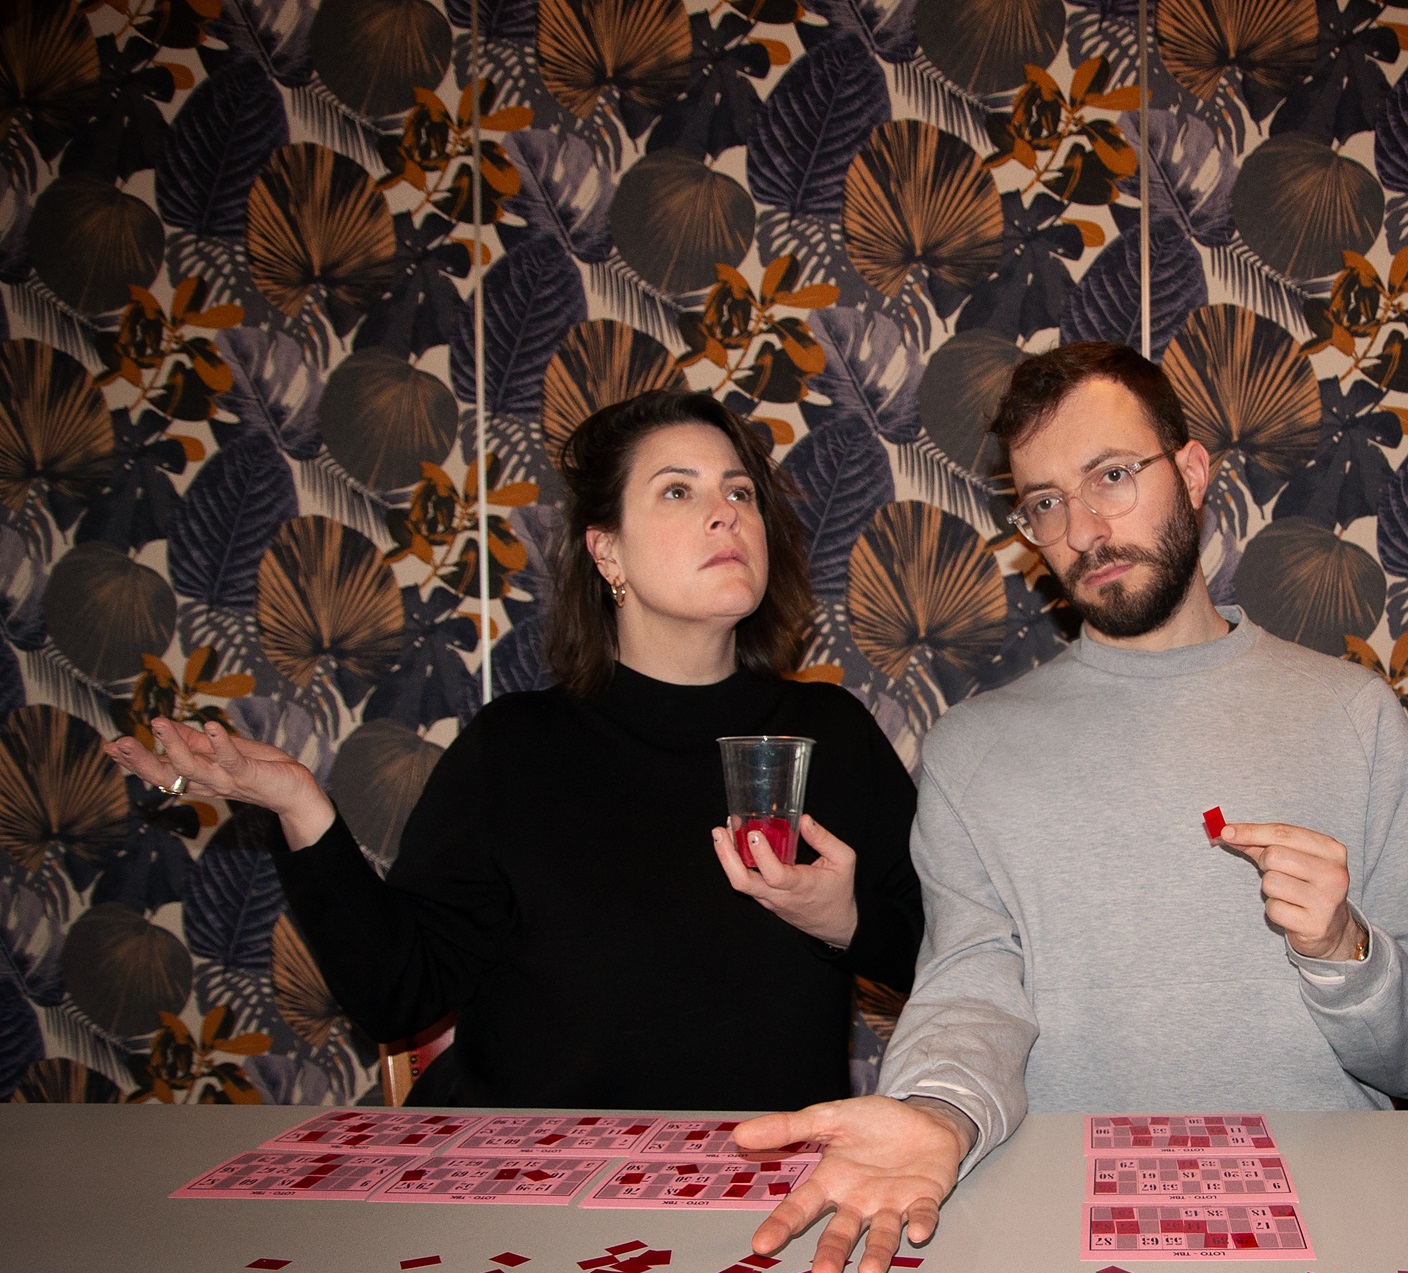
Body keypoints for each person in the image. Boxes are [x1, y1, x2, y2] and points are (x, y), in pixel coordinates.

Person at [730, 341, 1408, 1273]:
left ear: (1191, 471)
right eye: (1044, 502)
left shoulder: (1353, 715)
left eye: (1111, 476)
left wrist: (1342, 950)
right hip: (1061, 1241)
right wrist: (937, 1114)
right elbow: (970, 989)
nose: (1083, 530)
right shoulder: (972, 751)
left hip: (1325, 1240)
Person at [105, 390, 923, 1108]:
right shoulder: (517, 747)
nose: (726, 514)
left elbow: (948, 952)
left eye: (739, 491)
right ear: (607, 552)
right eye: (678, 490)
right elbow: (402, 995)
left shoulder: (830, 732)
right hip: (542, 1179)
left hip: (765, 1176)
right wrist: (300, 806)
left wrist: (842, 918)